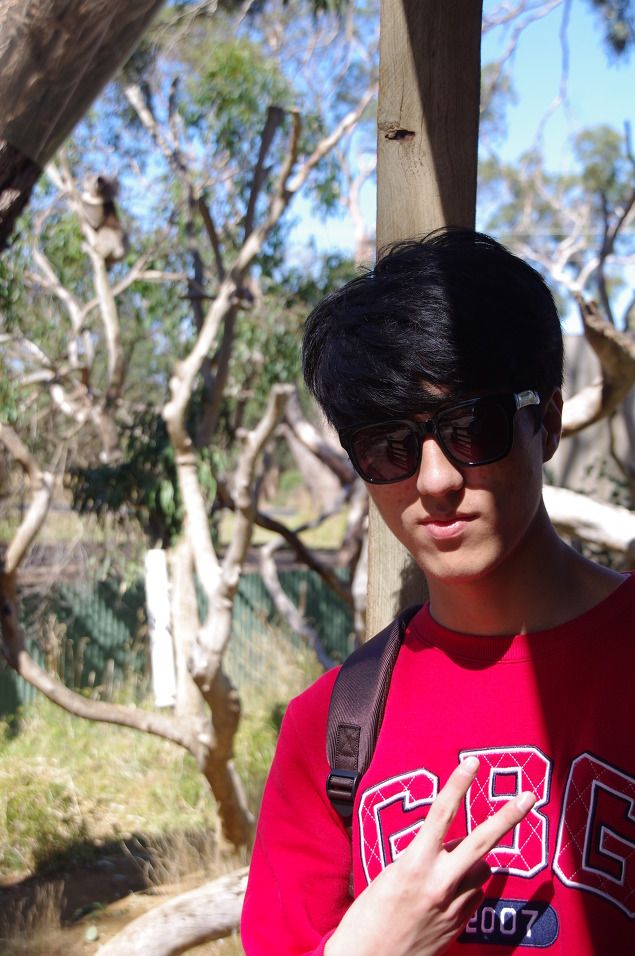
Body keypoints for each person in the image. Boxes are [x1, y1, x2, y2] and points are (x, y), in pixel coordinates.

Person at [240, 229, 634, 955]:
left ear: (546, 422)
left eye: (472, 427)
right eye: (387, 445)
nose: (434, 481)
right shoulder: (328, 730)